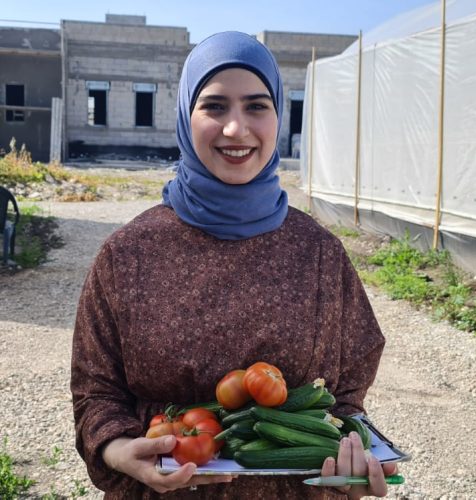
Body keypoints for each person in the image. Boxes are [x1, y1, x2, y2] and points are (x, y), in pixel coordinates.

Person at [71, 31, 398, 499]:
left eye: (257, 106)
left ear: (278, 115)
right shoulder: (128, 255)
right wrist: (118, 448)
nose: (235, 129)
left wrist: (351, 455)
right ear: (186, 115)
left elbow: (345, 398)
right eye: (215, 106)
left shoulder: (319, 254)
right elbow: (96, 392)